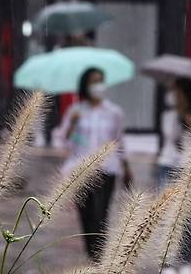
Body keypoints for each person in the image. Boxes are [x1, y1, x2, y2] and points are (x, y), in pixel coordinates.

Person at [52, 67, 132, 261]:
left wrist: (126, 166)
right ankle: (92, 257)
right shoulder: (76, 111)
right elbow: (63, 141)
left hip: (107, 169)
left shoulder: (113, 112)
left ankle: (100, 259)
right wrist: (71, 124)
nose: (98, 86)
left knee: (100, 214)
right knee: (86, 216)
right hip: (80, 169)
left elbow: (119, 140)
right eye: (94, 81)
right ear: (85, 85)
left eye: (101, 81)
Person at [157, 78, 191, 274]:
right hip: (168, 166)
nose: (174, 96)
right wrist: (178, 116)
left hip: (190, 169)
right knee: (168, 217)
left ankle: (187, 262)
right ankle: (167, 264)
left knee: (189, 219)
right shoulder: (168, 116)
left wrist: (188, 118)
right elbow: (169, 137)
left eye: (178, 92)